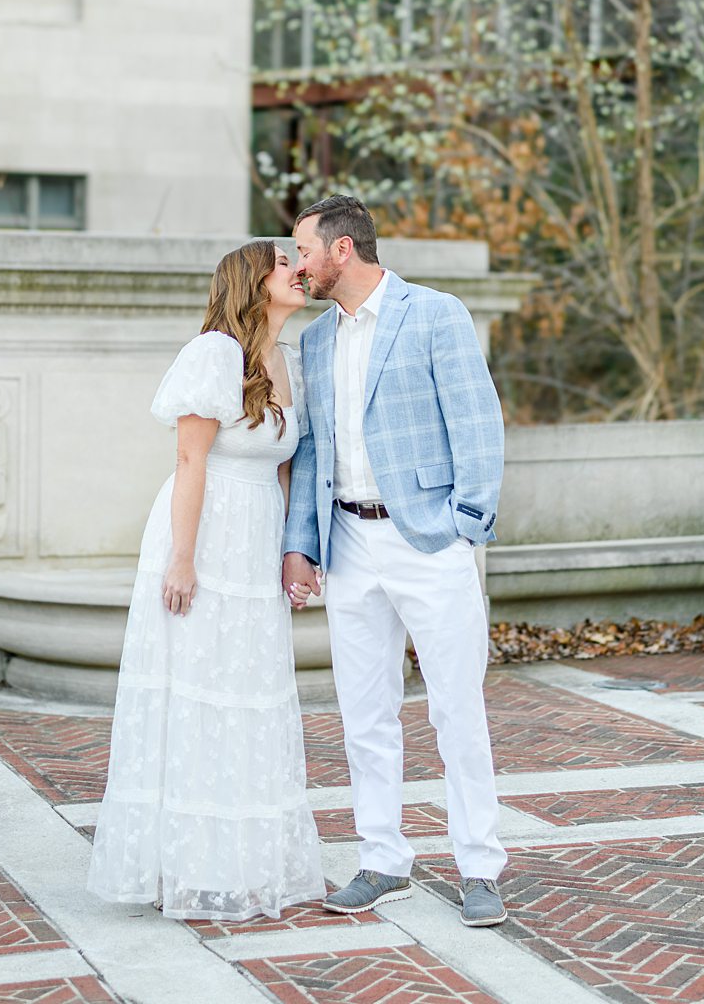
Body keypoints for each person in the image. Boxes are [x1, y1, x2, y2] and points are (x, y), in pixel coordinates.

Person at [279, 193, 509, 926]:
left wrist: (465, 526)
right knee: (363, 713)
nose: (298, 265)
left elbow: (478, 421)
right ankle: (382, 859)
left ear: (342, 249)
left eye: (304, 251)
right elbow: (311, 450)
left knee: (456, 708)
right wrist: (301, 544)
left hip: (429, 541)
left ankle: (480, 866)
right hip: (348, 543)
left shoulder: (435, 314)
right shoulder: (315, 340)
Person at [88, 240, 325, 920]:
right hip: (205, 530)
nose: (299, 271)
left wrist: (294, 551)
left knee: (248, 690)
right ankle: (187, 863)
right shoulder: (215, 353)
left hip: (257, 537)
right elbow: (190, 461)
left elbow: (286, 467)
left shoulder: (289, 361)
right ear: (253, 282)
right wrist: (183, 558)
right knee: (196, 688)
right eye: (285, 264)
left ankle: (242, 860)